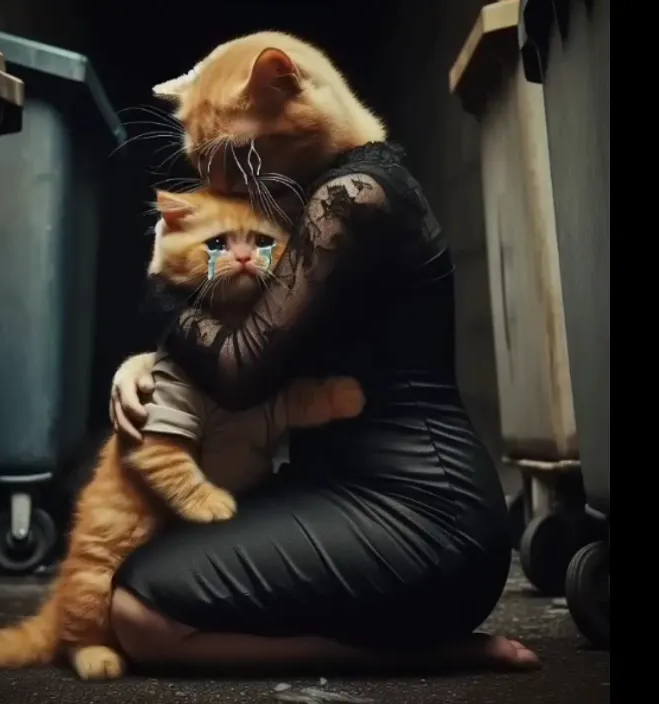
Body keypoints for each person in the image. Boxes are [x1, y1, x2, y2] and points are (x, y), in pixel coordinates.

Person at [104, 32, 538, 673]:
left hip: (426, 517)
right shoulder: (308, 199)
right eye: (204, 165)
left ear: (290, 89)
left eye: (235, 156)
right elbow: (229, 324)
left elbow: (235, 370)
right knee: (133, 579)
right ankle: (411, 642)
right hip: (336, 489)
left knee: (141, 614)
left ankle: (429, 652)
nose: (220, 183)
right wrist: (141, 366)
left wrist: (163, 302)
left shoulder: (353, 198)